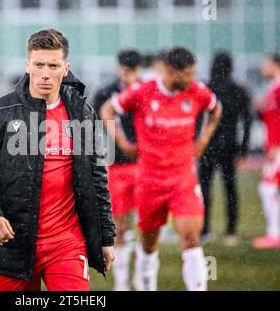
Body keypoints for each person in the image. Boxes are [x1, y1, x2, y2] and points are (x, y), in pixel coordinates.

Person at [0, 29, 115, 291]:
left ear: (65, 68)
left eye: (53, 65)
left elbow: (96, 178)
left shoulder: (82, 113)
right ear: (27, 66)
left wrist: (105, 236)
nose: (45, 73)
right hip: (13, 243)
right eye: (39, 64)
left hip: (67, 243)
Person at [100, 47, 222, 291]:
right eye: (186, 74)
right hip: (150, 181)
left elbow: (216, 109)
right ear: (170, 71)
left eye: (192, 73)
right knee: (148, 245)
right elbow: (107, 110)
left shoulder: (197, 91)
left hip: (183, 178)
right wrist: (123, 142)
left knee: (191, 237)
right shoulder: (142, 92)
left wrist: (204, 139)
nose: (191, 79)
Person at [92, 49, 142, 291]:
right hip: (117, 165)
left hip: (145, 167)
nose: (128, 74)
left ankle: (143, 280)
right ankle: (122, 283)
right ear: (119, 68)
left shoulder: (147, 92)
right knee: (119, 226)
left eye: (132, 70)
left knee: (147, 228)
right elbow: (92, 123)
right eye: (125, 69)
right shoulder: (104, 93)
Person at [199, 52, 252, 246]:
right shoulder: (238, 89)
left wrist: (195, 142)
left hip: (208, 144)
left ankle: (204, 230)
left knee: (204, 188)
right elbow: (247, 120)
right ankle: (231, 231)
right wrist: (244, 147)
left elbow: (197, 118)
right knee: (230, 188)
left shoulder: (207, 88)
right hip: (229, 145)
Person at [253, 53, 280, 249]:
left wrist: (276, 143)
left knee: (267, 188)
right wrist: (260, 110)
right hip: (273, 146)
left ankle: (274, 234)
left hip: (277, 147)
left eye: (266, 63)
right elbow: (270, 117)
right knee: (269, 188)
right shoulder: (272, 88)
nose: (263, 66)